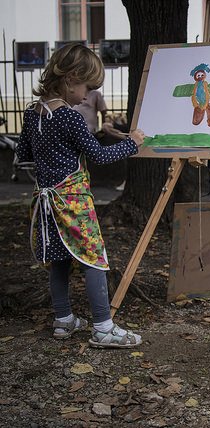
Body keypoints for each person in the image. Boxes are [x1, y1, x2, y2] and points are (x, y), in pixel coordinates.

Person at [16, 43, 145, 348]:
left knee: (60, 260)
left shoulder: (33, 114)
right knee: (94, 259)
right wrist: (133, 143)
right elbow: (98, 157)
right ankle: (103, 328)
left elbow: (23, 155)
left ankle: (63, 320)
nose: (88, 96)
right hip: (72, 201)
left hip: (45, 200)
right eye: (87, 87)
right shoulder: (70, 117)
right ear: (71, 77)